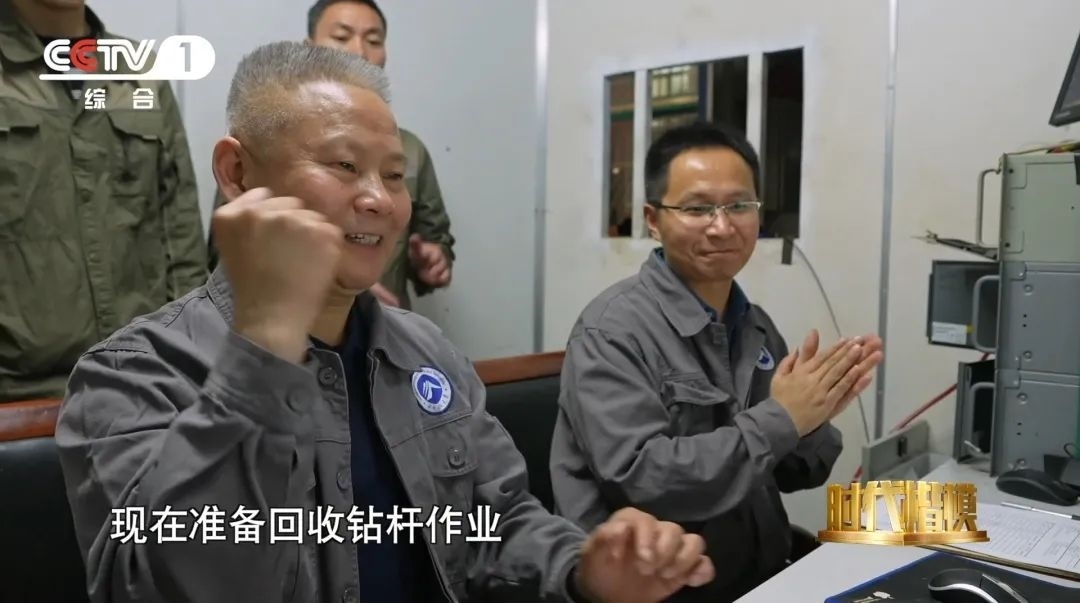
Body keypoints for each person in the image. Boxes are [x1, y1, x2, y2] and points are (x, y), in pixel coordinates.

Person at [55, 41, 715, 603]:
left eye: (395, 175)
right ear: (237, 171)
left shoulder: (425, 351)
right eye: (344, 166)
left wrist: (582, 569)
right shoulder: (135, 373)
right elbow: (169, 584)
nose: (379, 199)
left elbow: (494, 521)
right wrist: (266, 340)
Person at [548, 121, 885, 602]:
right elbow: (645, 481)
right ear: (652, 219)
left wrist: (813, 416)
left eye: (739, 206)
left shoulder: (754, 325)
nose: (723, 227)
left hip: (764, 580)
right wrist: (784, 418)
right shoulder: (611, 331)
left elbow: (798, 474)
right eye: (697, 208)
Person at [0, 0, 207, 403]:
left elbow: (180, 236)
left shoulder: (140, 73)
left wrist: (189, 362)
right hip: (17, 395)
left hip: (144, 382)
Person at [204, 0, 455, 311]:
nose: (359, 51)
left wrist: (432, 261)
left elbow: (435, 238)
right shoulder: (269, 139)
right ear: (309, 47)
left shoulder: (410, 149)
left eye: (373, 40)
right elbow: (225, 248)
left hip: (381, 330)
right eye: (342, 36)